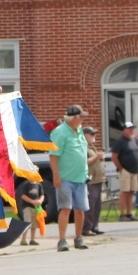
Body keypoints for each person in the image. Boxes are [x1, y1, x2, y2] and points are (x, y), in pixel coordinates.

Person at [49, 105, 91, 252]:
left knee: (80, 209)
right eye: (81, 117)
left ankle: (79, 238)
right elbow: (54, 156)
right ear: (74, 118)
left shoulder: (79, 131)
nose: (83, 120)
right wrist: (56, 176)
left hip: (81, 178)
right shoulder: (60, 133)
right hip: (65, 177)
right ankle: (62, 240)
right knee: (65, 208)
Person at [111, 122, 138, 221]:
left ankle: (129, 213)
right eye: (129, 129)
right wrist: (121, 169)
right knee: (124, 192)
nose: (132, 131)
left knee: (131, 191)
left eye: (133, 129)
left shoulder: (132, 140)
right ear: (124, 130)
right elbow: (114, 157)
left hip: (134, 170)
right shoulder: (120, 141)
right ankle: (122, 214)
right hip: (125, 170)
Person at [82, 126, 105, 237]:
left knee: (97, 206)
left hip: (98, 180)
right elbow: (84, 162)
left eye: (94, 134)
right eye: (91, 134)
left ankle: (94, 227)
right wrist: (97, 157)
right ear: (85, 135)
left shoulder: (92, 147)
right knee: (90, 206)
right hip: (90, 180)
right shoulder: (83, 147)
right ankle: (86, 228)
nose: (94, 136)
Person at [15, 178, 44, 246]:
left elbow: (42, 195)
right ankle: (23, 239)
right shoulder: (26, 185)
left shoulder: (39, 185)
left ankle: (32, 239)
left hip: (36, 208)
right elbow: (23, 195)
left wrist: (40, 201)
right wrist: (32, 201)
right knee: (27, 223)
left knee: (34, 224)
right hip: (27, 207)